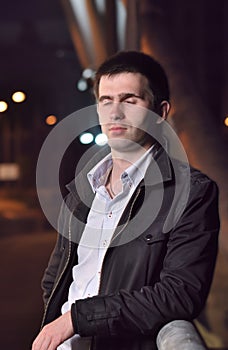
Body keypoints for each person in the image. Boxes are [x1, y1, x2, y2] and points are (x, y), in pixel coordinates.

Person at [32, 51, 220, 350]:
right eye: (106, 101)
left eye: (130, 100)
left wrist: (76, 319)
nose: (115, 113)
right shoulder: (82, 189)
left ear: (160, 113)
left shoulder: (192, 192)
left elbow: (181, 294)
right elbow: (56, 277)